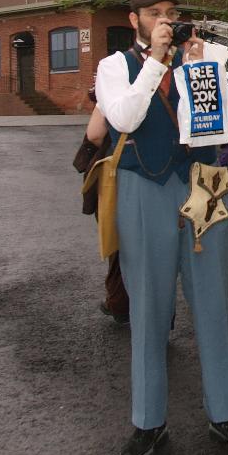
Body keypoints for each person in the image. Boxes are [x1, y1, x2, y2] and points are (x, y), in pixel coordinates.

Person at [95, 0, 228, 455]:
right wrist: (156, 62)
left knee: (213, 301)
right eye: (154, 13)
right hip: (144, 186)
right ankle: (148, 422)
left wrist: (202, 72)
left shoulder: (202, 60)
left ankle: (227, 412)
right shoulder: (114, 66)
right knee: (148, 307)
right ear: (135, 20)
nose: (165, 21)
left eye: (171, 12)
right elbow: (124, 118)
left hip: (204, 182)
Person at [73, 97, 131, 325]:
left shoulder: (112, 88)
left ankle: (119, 302)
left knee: (118, 242)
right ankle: (159, 311)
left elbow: (95, 134)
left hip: (118, 173)